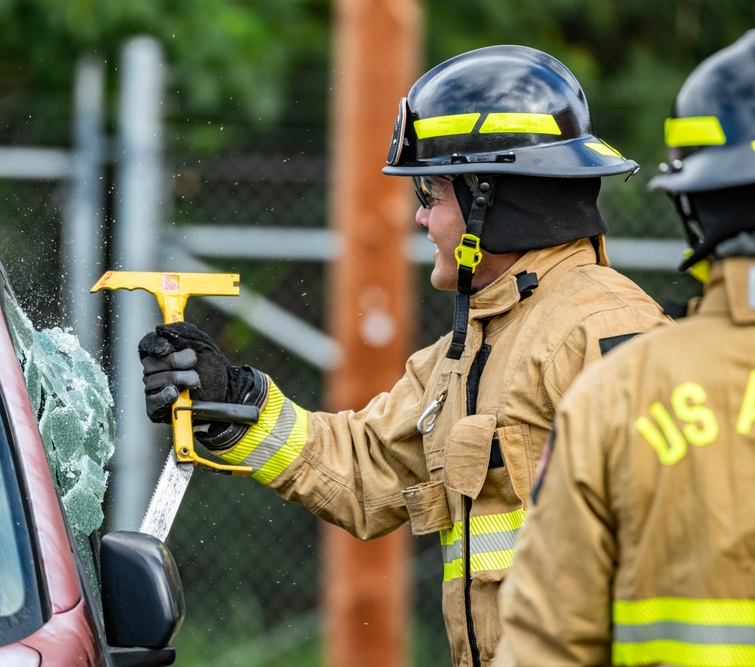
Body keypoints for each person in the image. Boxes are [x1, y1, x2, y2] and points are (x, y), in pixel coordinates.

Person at [138, 45, 671, 666]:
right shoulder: (470, 348)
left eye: (432, 191)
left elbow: (672, 544)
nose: (419, 215)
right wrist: (234, 402)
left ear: (487, 200)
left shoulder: (604, 327)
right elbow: (365, 471)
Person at [496, 31, 755, 667]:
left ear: (696, 204)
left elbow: (545, 645)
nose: (419, 218)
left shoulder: (621, 394)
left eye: (429, 196)